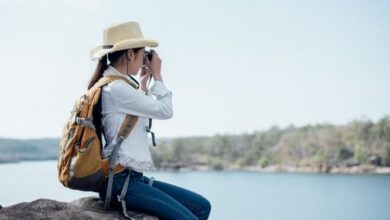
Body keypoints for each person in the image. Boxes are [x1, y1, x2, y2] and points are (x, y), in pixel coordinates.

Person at [89, 21, 211, 220]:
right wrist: (158, 75)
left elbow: (133, 117)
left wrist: (144, 84)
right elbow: (165, 111)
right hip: (121, 181)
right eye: (142, 53)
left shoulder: (116, 86)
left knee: (202, 206)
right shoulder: (117, 88)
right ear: (130, 54)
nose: (145, 58)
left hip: (131, 178)